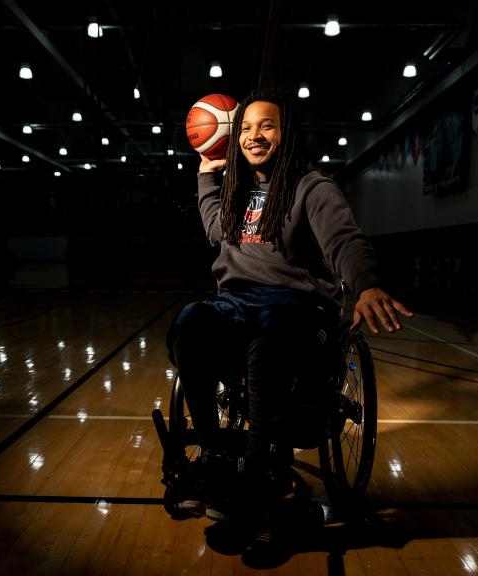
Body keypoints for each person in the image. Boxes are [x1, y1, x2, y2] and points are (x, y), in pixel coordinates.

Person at [167, 89, 412, 522]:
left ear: (287, 133)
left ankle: (259, 465)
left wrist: (367, 285)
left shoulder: (311, 187)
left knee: (268, 340)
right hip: (238, 304)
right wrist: (206, 175)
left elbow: (343, 239)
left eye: (266, 126)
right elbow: (213, 227)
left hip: (297, 307)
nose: (253, 136)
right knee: (190, 321)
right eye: (244, 128)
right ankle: (214, 457)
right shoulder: (235, 191)